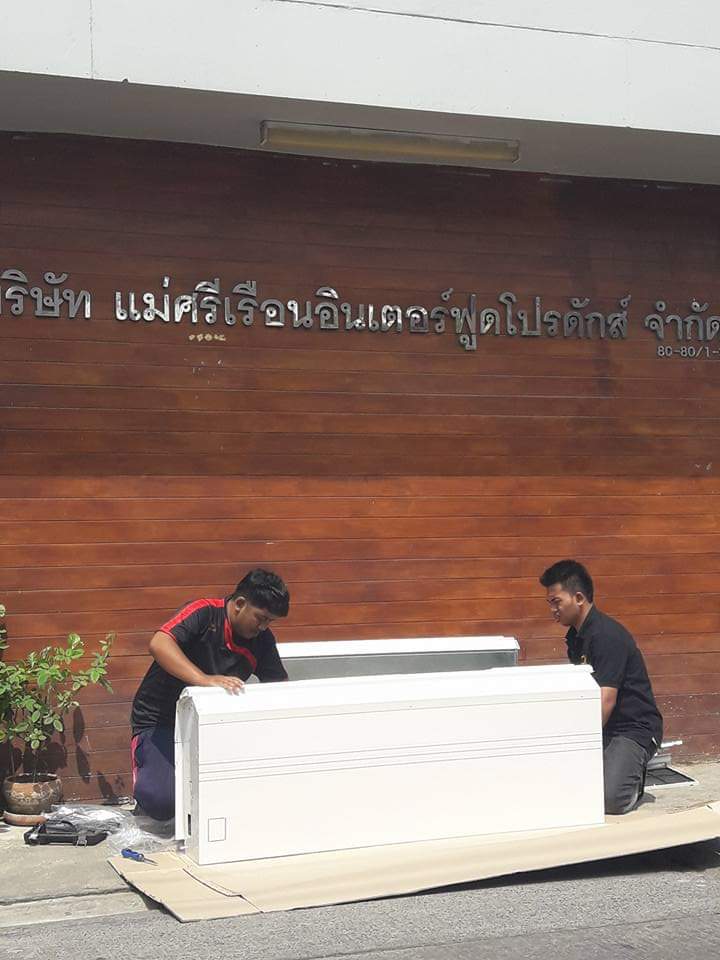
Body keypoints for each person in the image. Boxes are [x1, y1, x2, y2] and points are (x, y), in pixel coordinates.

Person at [130, 568, 290, 820]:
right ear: (240, 604)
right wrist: (203, 680)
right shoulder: (204, 613)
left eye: (270, 621)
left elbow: (279, 688)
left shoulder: (262, 641)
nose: (263, 627)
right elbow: (159, 644)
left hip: (215, 726)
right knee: (161, 802)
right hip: (160, 721)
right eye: (260, 618)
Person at [539, 559, 663, 815]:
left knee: (609, 800)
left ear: (579, 598)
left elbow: (606, 700)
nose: (553, 609)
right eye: (549, 603)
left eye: (556, 602)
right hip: (605, 728)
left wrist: (580, 746)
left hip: (633, 729)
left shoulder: (606, 636)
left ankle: (633, 778)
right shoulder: (576, 637)